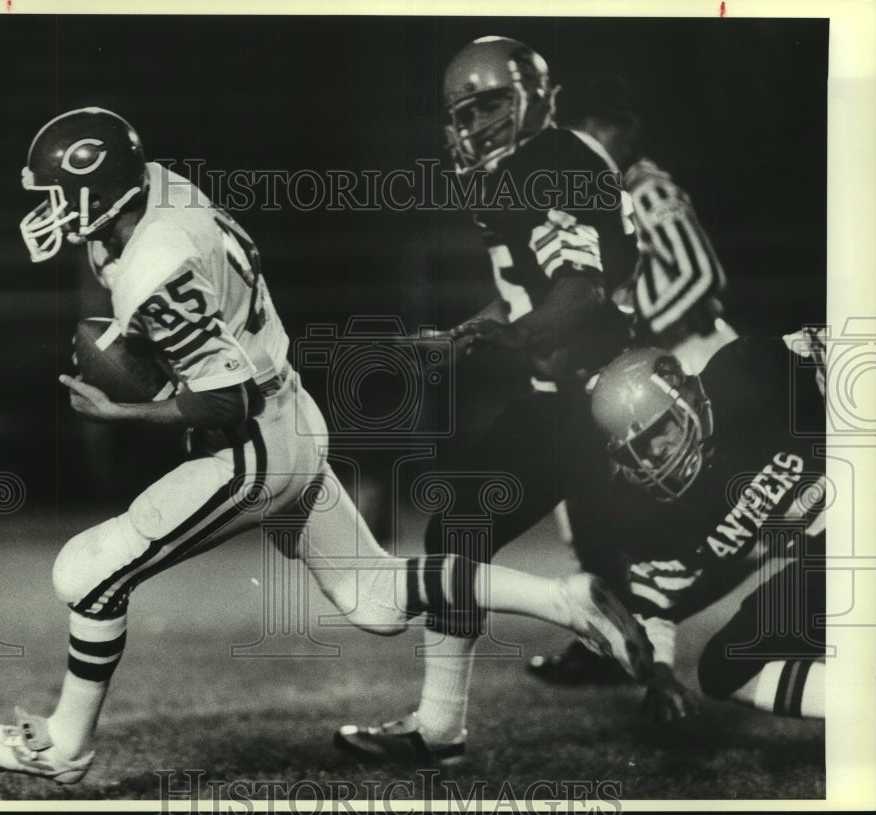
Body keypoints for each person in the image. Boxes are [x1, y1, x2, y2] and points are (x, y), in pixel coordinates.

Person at [0, 107, 652, 784]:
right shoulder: (158, 187)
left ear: (97, 188)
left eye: (57, 193)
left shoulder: (155, 264)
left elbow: (223, 396)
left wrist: (123, 407)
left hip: (249, 442)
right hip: (289, 411)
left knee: (83, 572)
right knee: (374, 596)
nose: (48, 209)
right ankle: (567, 599)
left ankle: (62, 746)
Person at [334, 37, 640, 765]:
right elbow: (542, 284)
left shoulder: (549, 163)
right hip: (587, 389)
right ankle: (444, 724)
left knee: (459, 528)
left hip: (589, 395)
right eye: (465, 113)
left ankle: (451, 716)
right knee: (465, 529)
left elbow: (579, 291)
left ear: (536, 95)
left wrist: (517, 335)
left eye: (493, 105)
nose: (477, 126)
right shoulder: (538, 163)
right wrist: (481, 328)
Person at [529, 73, 735, 685]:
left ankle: (634, 636)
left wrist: (639, 337)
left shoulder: (644, 187)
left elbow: (702, 276)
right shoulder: (590, 196)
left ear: (618, 130)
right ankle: (618, 638)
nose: (580, 142)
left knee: (729, 501)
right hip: (644, 373)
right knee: (588, 496)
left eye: (591, 130)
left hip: (692, 364)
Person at [585, 340, 826, 721]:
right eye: (637, 451)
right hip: (829, 564)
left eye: (657, 434)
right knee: (723, 669)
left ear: (687, 397)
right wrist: (660, 673)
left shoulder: (750, 372)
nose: (654, 457)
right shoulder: (644, 509)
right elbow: (657, 596)